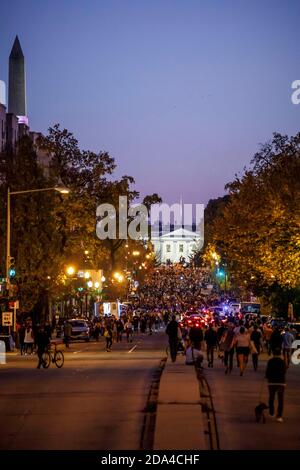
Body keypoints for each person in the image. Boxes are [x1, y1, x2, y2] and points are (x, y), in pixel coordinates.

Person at [265, 348, 286, 422]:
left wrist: (266, 376)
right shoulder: (282, 361)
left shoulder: (270, 361)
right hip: (281, 382)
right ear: (280, 354)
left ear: (273, 354)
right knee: (280, 399)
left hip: (272, 382)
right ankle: (279, 416)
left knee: (271, 397)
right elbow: (284, 371)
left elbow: (267, 371)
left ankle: (271, 412)